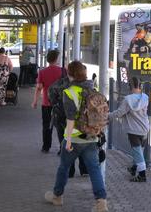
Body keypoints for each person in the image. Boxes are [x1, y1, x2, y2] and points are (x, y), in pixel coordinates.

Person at [45, 61, 108, 212]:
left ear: (70, 74)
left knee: (64, 168)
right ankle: (101, 203)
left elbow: (70, 119)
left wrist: (67, 141)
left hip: (74, 139)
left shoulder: (69, 92)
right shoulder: (93, 90)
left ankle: (57, 196)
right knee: (94, 170)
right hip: (91, 137)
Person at [108, 77, 150, 182]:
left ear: (130, 86)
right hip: (144, 128)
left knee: (137, 151)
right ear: (140, 86)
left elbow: (119, 112)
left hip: (133, 130)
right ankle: (133, 168)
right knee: (140, 151)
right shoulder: (145, 98)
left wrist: (108, 116)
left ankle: (142, 175)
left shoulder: (128, 99)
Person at [32, 50, 65, 153]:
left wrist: (35, 101)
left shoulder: (42, 72)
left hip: (46, 103)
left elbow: (38, 88)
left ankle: (46, 147)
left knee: (46, 125)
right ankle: (62, 148)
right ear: (56, 58)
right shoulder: (64, 71)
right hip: (61, 104)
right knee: (61, 126)